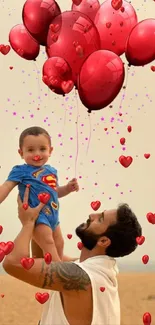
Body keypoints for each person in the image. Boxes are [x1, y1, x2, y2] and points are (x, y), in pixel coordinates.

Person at [3, 186, 142, 325]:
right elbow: (45, 256)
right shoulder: (98, 272)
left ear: (104, 241)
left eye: (100, 219)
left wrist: (28, 223)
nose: (92, 215)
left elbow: (13, 263)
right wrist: (44, 215)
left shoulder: (81, 277)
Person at [0, 126, 79, 261]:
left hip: (53, 216)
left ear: (50, 150)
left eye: (42, 149)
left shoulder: (51, 171)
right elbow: (7, 186)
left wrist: (68, 188)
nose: (37, 154)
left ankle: (58, 267)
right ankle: (59, 268)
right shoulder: (21, 171)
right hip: (38, 217)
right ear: (21, 153)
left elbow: (55, 192)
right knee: (48, 242)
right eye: (30, 150)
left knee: (60, 243)